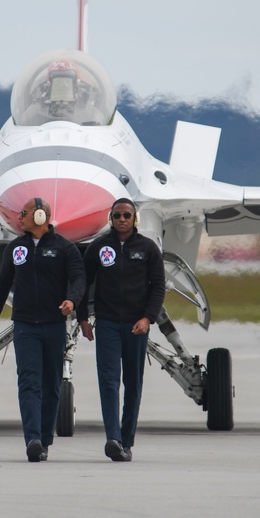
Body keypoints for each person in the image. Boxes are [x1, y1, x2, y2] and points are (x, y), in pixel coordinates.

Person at [0, 197, 85, 462]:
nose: (19, 218)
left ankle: (45, 439)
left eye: (24, 213)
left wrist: (72, 300)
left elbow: (78, 278)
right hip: (25, 326)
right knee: (28, 382)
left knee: (51, 385)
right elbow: (2, 283)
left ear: (41, 216)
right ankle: (32, 438)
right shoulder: (15, 248)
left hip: (54, 326)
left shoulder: (65, 249)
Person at [78, 198, 165, 462]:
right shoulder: (98, 247)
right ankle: (113, 439)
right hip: (107, 324)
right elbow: (83, 282)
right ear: (111, 218)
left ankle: (127, 441)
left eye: (127, 215)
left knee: (133, 384)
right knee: (108, 381)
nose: (122, 220)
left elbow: (159, 286)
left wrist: (148, 318)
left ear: (134, 218)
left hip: (136, 326)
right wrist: (83, 318)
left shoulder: (148, 249)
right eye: (117, 216)